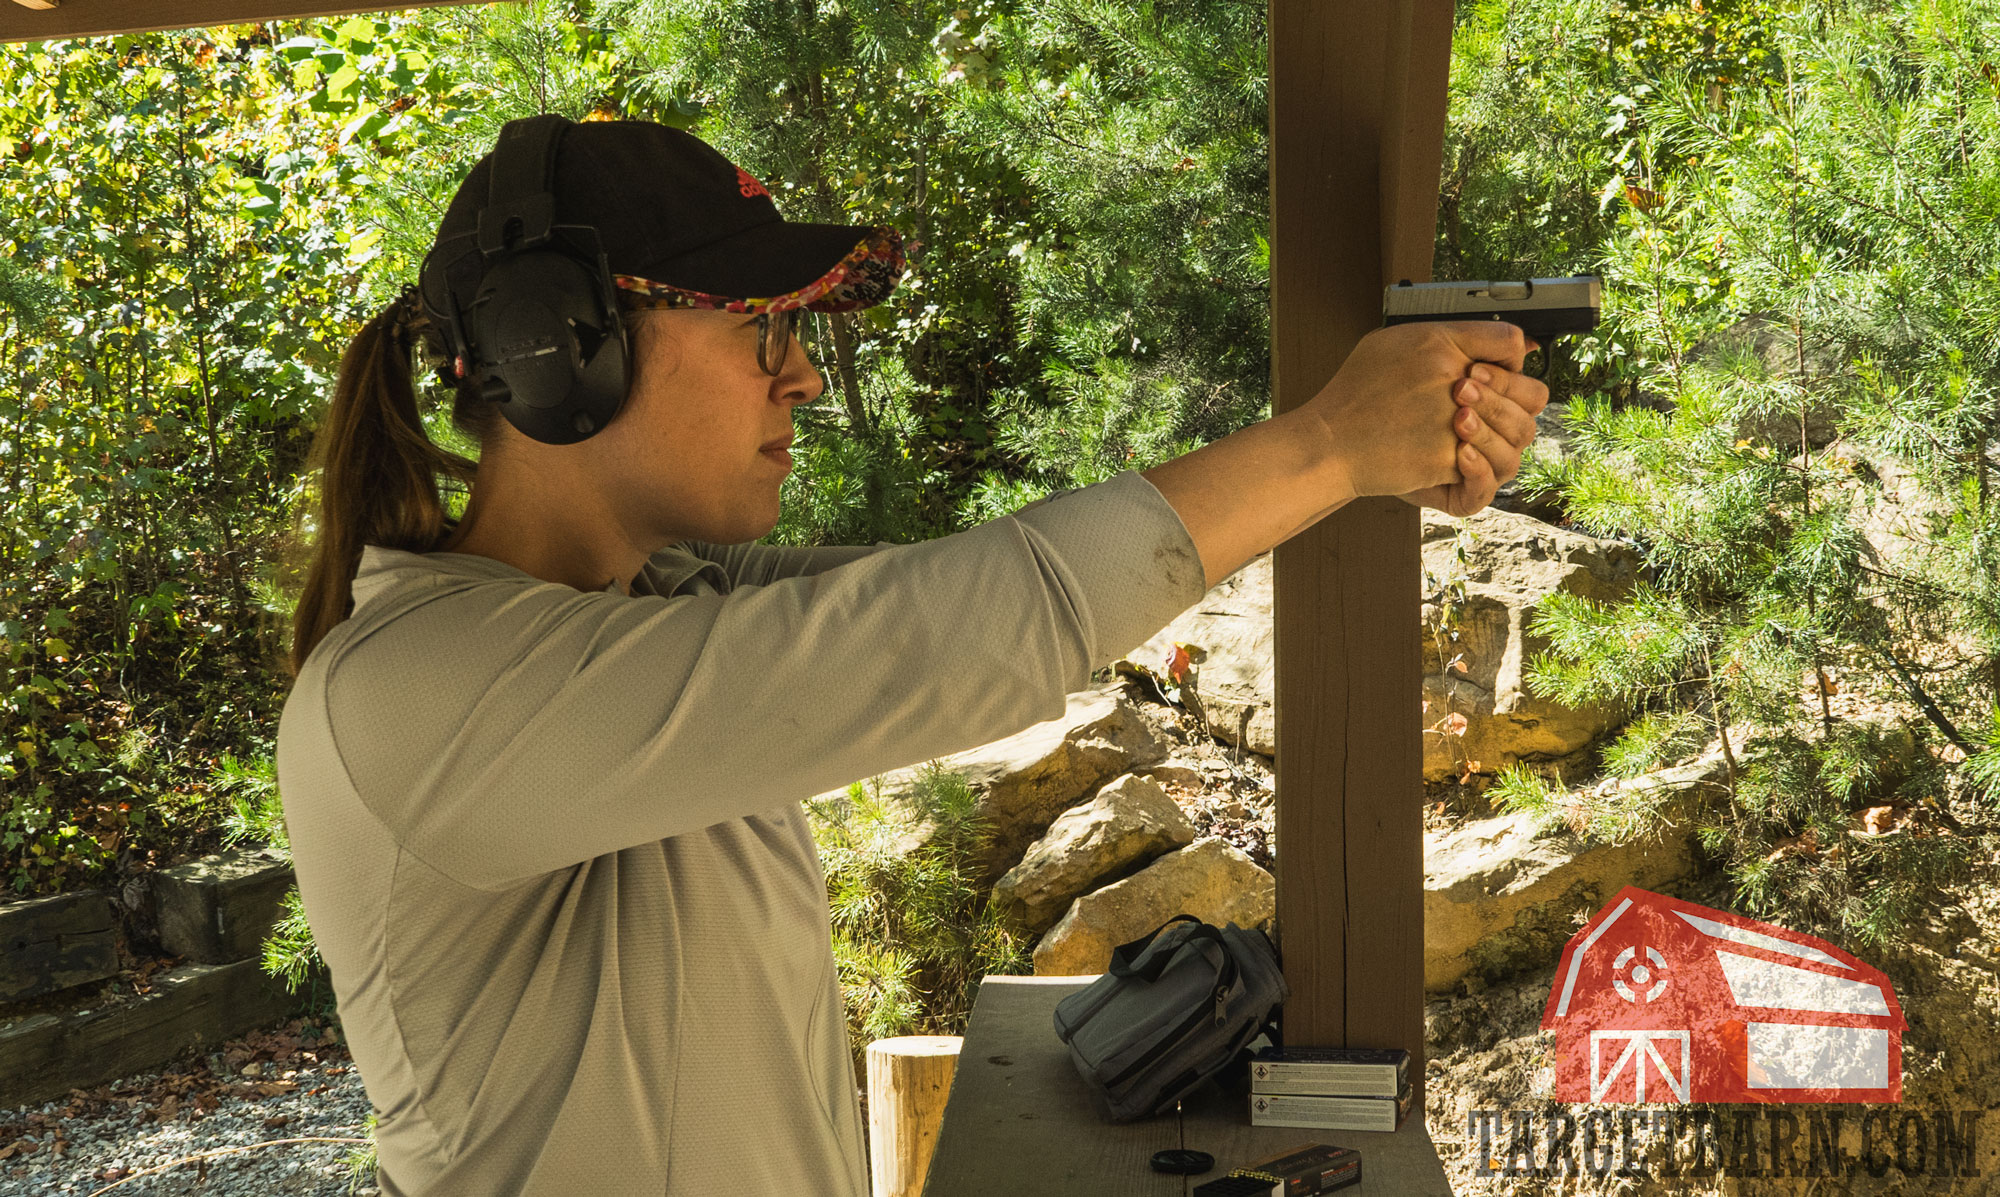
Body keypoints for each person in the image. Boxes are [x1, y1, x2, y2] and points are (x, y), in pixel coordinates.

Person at [274, 117, 1546, 1197]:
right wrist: (1331, 445)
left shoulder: (656, 608)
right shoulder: (406, 694)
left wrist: (1354, 464)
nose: (803, 381)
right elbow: (955, 631)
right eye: (762, 328)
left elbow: (976, 597)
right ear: (563, 343)